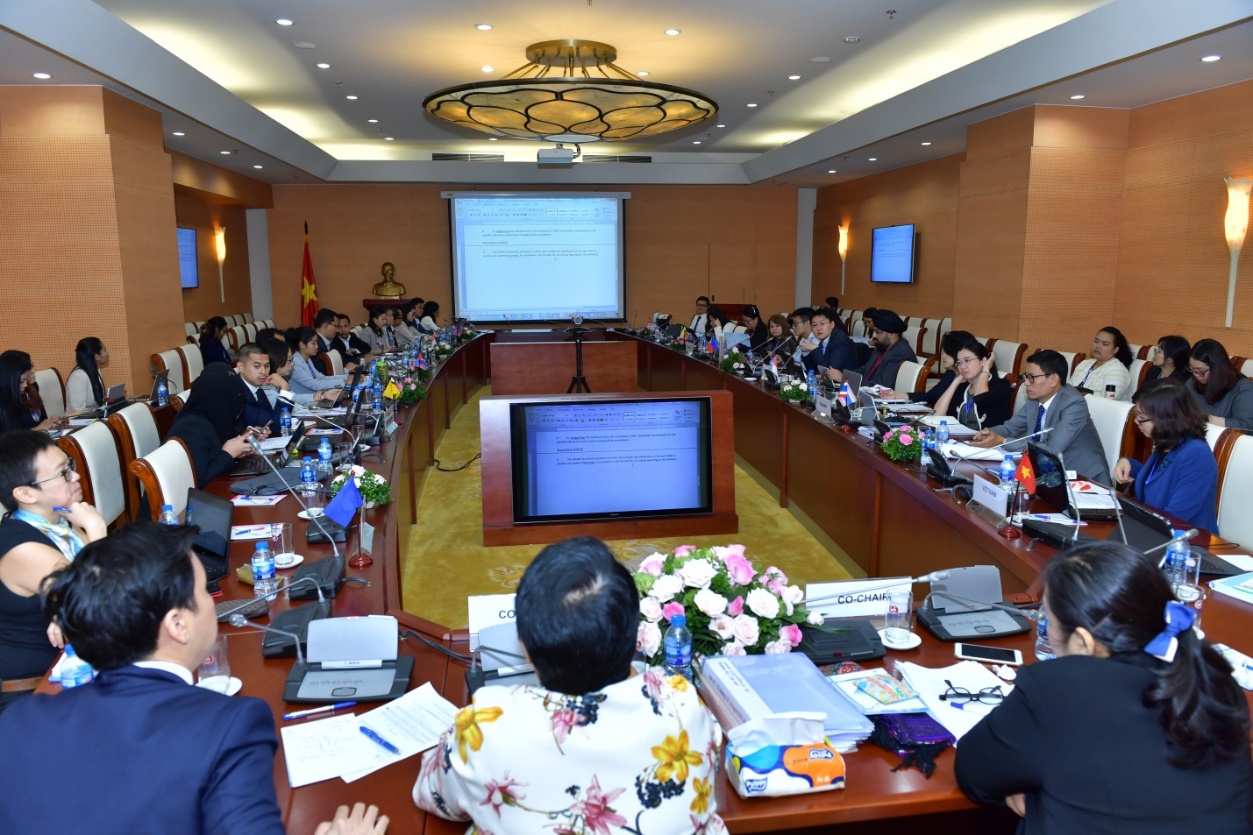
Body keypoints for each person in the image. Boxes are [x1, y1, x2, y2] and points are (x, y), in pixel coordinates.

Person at [0, 521, 389, 835]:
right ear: (178, 625)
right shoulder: (228, 726)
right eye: (204, 591)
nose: (212, 603)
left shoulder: (17, 722)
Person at [413, 536, 726, 835]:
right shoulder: (682, 703)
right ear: (634, 636)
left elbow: (432, 794)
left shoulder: (487, 726)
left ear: (525, 648)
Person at [956, 542, 1251, 833]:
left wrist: (1034, 794)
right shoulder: (1214, 679)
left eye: (1048, 620)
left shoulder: (1056, 689)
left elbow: (975, 773)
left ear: (1083, 643)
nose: (1045, 629)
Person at [0, 430, 106, 713]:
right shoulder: (23, 548)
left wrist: (69, 606)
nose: (76, 476)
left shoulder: (58, 525)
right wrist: (96, 531)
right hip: (35, 693)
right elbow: (100, 608)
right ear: (25, 494)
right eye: (63, 473)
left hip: (72, 667)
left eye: (70, 465)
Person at [972, 349, 1109, 483]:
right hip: (1048, 473)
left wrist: (1002, 441)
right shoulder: (1034, 400)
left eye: (1031, 377)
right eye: (1026, 376)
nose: (1026, 383)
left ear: (1053, 380)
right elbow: (1009, 428)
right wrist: (987, 433)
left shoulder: (1074, 404)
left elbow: (1052, 450)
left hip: (1084, 480)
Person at [1113, 379, 1218, 532]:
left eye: (1141, 417)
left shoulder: (1196, 454)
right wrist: (1129, 463)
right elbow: (1159, 480)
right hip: (1153, 528)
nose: (1136, 422)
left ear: (1165, 418)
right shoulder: (1169, 442)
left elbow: (1176, 516)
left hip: (1185, 539)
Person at [163, 364, 253, 489]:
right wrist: (227, 454)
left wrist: (237, 451)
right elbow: (194, 482)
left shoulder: (215, 420)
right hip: (182, 499)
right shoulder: (191, 429)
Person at [879, 329, 976, 406]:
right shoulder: (951, 373)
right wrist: (896, 394)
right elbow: (930, 396)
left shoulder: (972, 381)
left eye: (947, 352)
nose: (943, 356)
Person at [932, 340, 1014, 430]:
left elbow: (981, 399)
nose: (962, 366)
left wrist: (986, 370)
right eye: (959, 363)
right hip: (960, 437)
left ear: (983, 361)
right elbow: (937, 414)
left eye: (967, 360)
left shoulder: (1000, 386)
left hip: (986, 438)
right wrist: (957, 381)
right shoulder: (963, 387)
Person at [831, 309, 917, 388]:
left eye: (877, 331)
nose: (873, 336)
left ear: (891, 333)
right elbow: (864, 370)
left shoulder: (900, 353)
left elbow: (882, 387)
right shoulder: (882, 346)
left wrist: (845, 379)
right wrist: (841, 375)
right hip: (864, 391)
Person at [1186, 338, 1253, 430]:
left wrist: (1203, 418)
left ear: (1217, 368)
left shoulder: (1243, 388)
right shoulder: (1194, 381)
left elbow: (1245, 425)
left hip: (1223, 437)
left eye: (1201, 370)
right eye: (1192, 369)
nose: (1196, 375)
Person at [263, 339, 341, 407]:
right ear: (277, 361)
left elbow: (294, 398)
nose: (292, 363)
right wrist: (284, 386)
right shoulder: (267, 389)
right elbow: (286, 409)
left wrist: (323, 395)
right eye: (289, 360)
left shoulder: (278, 380)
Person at [1069, 326, 1133, 400]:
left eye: (1105, 344)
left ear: (1115, 349)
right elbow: (1068, 388)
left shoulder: (1118, 371)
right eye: (1096, 341)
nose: (1098, 346)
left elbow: (1108, 401)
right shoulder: (1084, 364)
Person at [0, 351, 57, 433]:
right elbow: (8, 436)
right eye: (21, 381)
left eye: (26, 380)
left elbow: (43, 420)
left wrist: (51, 422)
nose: (25, 385)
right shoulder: (5, 403)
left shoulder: (32, 389)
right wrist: (36, 429)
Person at [234, 342, 282, 436]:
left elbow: (271, 420)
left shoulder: (256, 387)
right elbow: (276, 426)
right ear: (241, 367)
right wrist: (284, 389)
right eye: (257, 366)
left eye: (267, 366)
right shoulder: (237, 391)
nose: (263, 371)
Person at [288, 326, 349, 397]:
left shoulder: (307, 359)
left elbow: (322, 378)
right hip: (305, 400)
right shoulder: (294, 363)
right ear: (302, 345)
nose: (317, 346)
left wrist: (347, 377)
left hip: (316, 396)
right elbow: (315, 384)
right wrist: (343, 382)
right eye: (313, 343)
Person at [808, 306, 858, 380]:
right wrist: (805, 352)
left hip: (847, 383)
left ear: (832, 324)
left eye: (822, 323)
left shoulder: (840, 340)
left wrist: (814, 349)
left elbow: (830, 372)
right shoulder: (823, 339)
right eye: (814, 325)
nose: (818, 328)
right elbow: (812, 370)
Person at [65, 337, 109, 412]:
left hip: (95, 415)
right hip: (81, 418)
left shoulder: (96, 371)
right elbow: (78, 411)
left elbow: (98, 401)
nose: (107, 353)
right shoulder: (79, 377)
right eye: (104, 350)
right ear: (97, 357)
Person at [314, 309, 358, 373]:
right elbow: (324, 372)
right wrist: (345, 370)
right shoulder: (314, 344)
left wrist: (361, 361)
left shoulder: (329, 340)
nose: (337, 330)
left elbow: (341, 359)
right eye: (336, 326)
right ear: (326, 326)